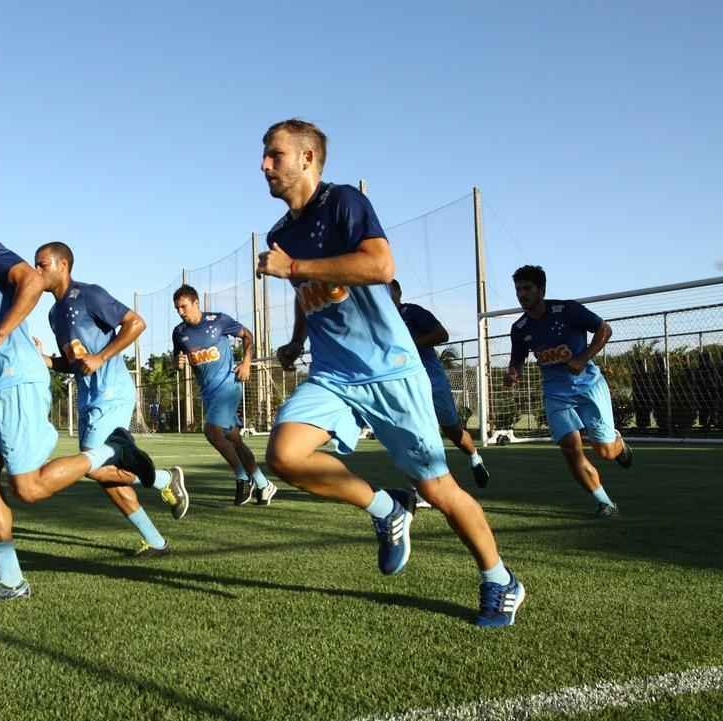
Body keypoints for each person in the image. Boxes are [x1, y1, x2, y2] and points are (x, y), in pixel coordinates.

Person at [256, 119, 523, 628]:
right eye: (264, 155)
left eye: (275, 155)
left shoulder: (343, 203)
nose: (264, 164)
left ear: (308, 158)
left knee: (439, 489)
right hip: (334, 374)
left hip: (389, 370)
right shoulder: (281, 234)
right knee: (284, 456)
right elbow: (305, 293)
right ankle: (387, 510)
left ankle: (500, 579)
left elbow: (380, 266)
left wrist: (293, 268)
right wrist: (295, 339)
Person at [0, 183, 153, 603]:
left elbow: (28, 280)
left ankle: (111, 451)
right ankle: (11, 580)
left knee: (27, 489)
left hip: (16, 380)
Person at [33, 241, 190, 556]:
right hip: (88, 399)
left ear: (63, 265)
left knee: (90, 464)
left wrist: (102, 357)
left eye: (42, 264)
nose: (36, 271)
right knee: (105, 476)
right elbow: (75, 362)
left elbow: (136, 323)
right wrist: (47, 360)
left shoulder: (88, 294)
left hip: (111, 392)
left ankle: (164, 479)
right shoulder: (53, 314)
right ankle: (156, 541)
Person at [505, 265, 633, 516]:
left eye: (527, 288)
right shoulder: (520, 328)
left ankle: (618, 443)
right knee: (570, 449)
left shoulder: (568, 310)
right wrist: (513, 373)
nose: (522, 294)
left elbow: (604, 329)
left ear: (541, 290)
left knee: (605, 451)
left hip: (589, 387)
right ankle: (605, 503)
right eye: (518, 289)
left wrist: (583, 358)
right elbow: (517, 359)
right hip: (555, 395)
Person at [172, 286, 277, 506]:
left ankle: (242, 478)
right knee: (234, 440)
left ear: (196, 303)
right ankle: (263, 483)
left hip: (229, 386)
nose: (181, 312)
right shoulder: (179, 332)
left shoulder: (218, 321)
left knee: (211, 431)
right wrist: (178, 364)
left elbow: (247, 335)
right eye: (177, 308)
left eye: (184, 306)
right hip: (208, 393)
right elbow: (177, 360)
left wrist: (246, 361)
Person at [388, 280, 489, 490]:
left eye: (386, 289)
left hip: (432, 379)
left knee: (453, 431)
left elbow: (442, 334)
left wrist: (409, 347)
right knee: (412, 433)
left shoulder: (412, 312)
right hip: (403, 384)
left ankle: (474, 457)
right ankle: (424, 488)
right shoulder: (378, 320)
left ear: (398, 291)